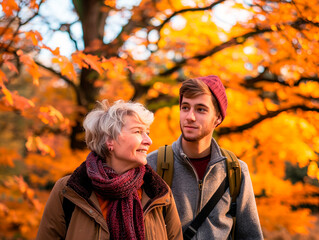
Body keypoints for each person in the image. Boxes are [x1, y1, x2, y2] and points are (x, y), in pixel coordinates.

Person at [36, 100, 183, 240]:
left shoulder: (159, 193)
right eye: (138, 131)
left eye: (148, 133)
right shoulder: (68, 191)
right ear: (109, 140)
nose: (148, 141)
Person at [147, 75, 263, 239]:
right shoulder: (153, 165)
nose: (190, 117)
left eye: (201, 109)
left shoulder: (235, 170)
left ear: (218, 118)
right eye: (185, 107)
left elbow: (250, 236)